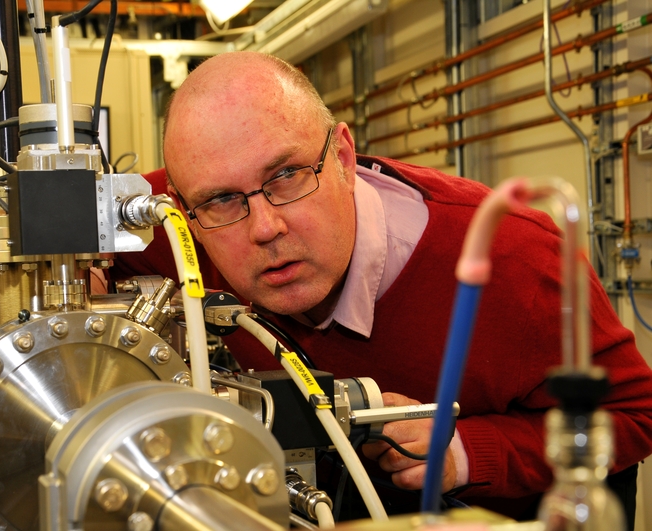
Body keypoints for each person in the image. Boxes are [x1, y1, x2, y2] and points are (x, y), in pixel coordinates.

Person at [112, 51, 652, 520]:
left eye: (287, 176)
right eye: (222, 200)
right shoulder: (176, 222)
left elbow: (636, 411)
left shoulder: (508, 257)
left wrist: (465, 451)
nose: (264, 227)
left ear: (344, 158)